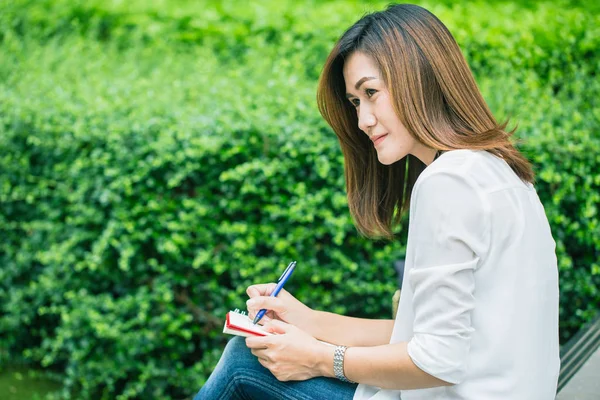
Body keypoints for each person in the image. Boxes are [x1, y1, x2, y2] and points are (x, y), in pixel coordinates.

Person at [195, 3, 560, 399]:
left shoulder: (448, 181)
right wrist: (311, 322)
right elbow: (431, 333)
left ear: (420, 78)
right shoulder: (499, 170)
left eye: (371, 93)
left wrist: (317, 357)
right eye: (355, 102)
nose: (362, 120)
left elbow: (436, 358)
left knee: (243, 362)